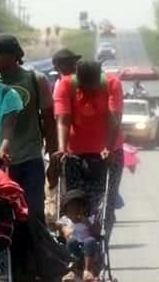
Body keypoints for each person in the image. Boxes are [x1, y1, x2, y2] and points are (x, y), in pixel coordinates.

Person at [0, 33, 58, 222]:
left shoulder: (35, 80)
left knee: (33, 214)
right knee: (2, 217)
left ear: (14, 55)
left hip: (30, 159)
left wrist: (53, 158)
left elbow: (49, 121)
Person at [52, 60, 125, 233]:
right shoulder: (66, 85)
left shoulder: (112, 84)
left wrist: (108, 147)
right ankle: (74, 240)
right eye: (85, 85)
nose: (90, 89)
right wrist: (62, 148)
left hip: (108, 153)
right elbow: (63, 120)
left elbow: (115, 118)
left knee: (105, 203)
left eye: (93, 84)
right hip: (75, 153)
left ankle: (101, 241)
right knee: (74, 201)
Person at [58, 188, 100, 282]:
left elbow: (97, 233)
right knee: (71, 241)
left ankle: (88, 270)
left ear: (84, 208)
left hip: (88, 247)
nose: (75, 210)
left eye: (78, 207)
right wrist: (65, 230)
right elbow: (63, 232)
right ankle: (72, 270)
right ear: (66, 209)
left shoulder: (91, 219)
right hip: (73, 247)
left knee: (90, 240)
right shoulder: (64, 220)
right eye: (71, 207)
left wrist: (88, 224)